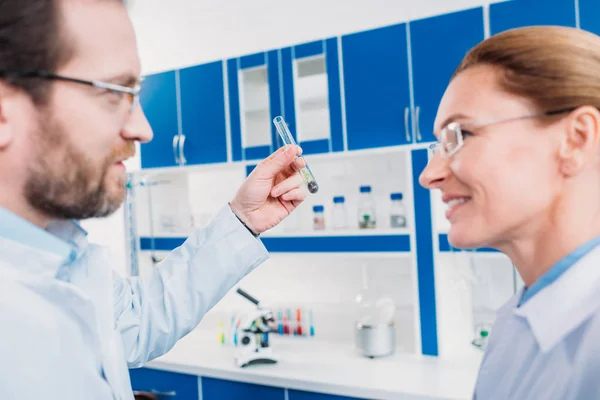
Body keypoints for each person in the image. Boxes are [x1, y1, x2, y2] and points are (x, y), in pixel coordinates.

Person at [0, 0, 307, 398]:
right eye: (115, 93)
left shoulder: (61, 256)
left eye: (136, 94)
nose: (144, 130)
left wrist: (242, 220)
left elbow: (136, 320)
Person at [420, 25, 600, 399]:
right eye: (438, 144)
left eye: (460, 135)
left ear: (575, 139)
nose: (429, 175)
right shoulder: (512, 327)